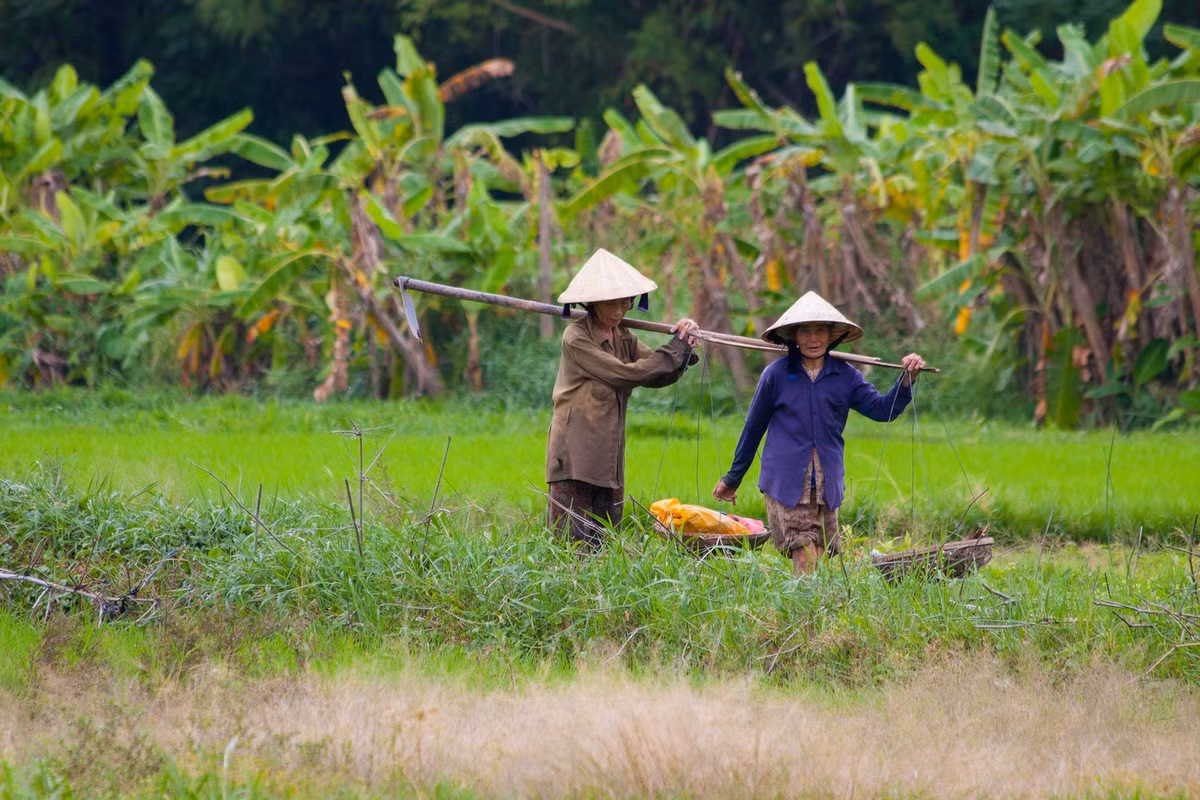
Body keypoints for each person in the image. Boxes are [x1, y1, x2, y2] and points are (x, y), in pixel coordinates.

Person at [711, 291, 926, 576]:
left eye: (820, 332)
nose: (813, 339)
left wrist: (907, 379)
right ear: (794, 336)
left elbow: (882, 410)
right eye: (805, 332)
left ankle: (811, 613)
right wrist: (732, 478)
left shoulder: (845, 376)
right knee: (803, 552)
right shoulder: (775, 376)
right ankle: (805, 616)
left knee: (818, 556)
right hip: (787, 483)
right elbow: (753, 429)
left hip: (827, 485)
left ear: (831, 336)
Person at [546, 248, 699, 550]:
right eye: (611, 303)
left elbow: (656, 373)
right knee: (571, 545)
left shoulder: (623, 336)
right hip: (575, 453)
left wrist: (684, 348)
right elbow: (627, 374)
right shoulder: (576, 338)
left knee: (605, 540)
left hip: (608, 455)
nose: (619, 310)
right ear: (592, 303)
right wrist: (675, 348)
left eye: (624, 302)